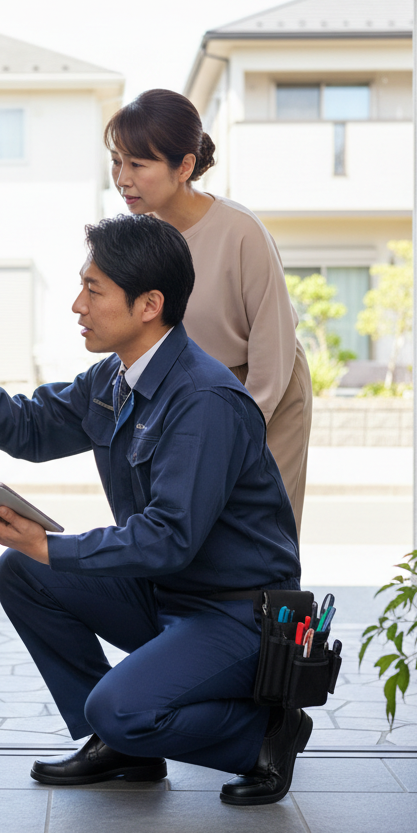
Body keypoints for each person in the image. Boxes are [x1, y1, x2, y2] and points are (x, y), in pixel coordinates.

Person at [0, 213, 312, 805]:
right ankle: (127, 748)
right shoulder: (114, 379)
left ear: (149, 305)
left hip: (235, 616)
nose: (76, 305)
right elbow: (32, 427)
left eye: (93, 290)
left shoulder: (205, 400)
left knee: (116, 705)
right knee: (23, 572)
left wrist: (50, 543)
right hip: (164, 594)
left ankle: (264, 736)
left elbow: (169, 536)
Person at [106, 89, 312, 533]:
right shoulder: (143, 237)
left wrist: (235, 428)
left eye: (137, 165)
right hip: (194, 393)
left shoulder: (241, 231)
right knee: (192, 530)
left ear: (184, 167)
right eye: (117, 162)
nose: (122, 178)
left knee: (259, 530)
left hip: (262, 387)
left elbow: (272, 347)